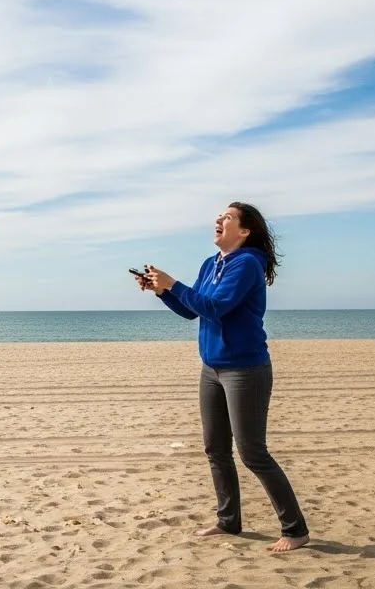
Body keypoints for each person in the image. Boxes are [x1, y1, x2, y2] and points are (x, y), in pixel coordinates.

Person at [136, 202, 310, 552]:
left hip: (245, 369)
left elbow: (216, 306)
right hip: (211, 368)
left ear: (244, 231)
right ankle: (229, 522)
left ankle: (295, 529)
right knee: (215, 448)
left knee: (252, 452)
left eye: (227, 217)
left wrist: (174, 283)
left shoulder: (246, 264)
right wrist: (163, 291)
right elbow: (192, 310)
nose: (218, 220)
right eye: (219, 216)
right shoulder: (210, 263)